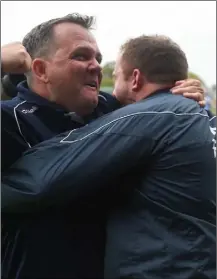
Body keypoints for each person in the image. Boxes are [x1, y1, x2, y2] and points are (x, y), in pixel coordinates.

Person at [1, 14, 209, 279]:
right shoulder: (8, 120)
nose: (97, 67)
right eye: (81, 56)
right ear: (41, 70)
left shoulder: (114, 113)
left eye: (98, 58)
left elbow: (149, 98)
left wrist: (180, 91)